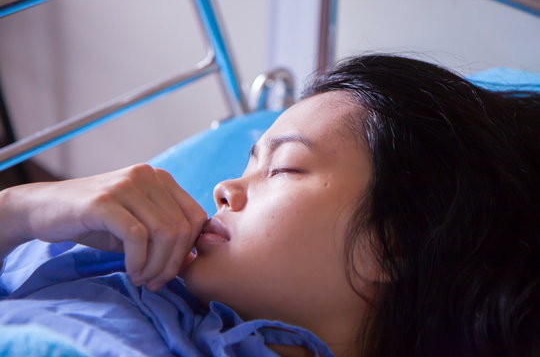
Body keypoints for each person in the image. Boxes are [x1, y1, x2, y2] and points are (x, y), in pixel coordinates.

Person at [0, 54, 539, 357]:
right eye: (248, 162)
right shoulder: (109, 259)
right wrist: (19, 211)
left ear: (393, 242)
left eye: (282, 168)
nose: (225, 189)